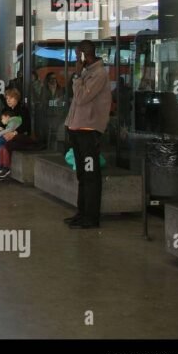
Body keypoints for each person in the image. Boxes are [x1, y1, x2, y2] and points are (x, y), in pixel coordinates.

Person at [63, 40, 112, 229]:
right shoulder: (86, 72)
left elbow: (82, 97)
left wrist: (76, 75)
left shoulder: (99, 74)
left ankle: (91, 217)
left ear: (84, 55)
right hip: (77, 129)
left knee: (91, 175)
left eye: (77, 55)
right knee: (82, 174)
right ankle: (81, 212)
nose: (76, 58)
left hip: (88, 132)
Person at [40, 72, 65, 149]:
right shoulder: (44, 89)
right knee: (47, 133)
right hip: (47, 114)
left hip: (57, 114)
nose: (53, 80)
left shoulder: (60, 89)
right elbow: (43, 101)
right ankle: (47, 147)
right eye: (51, 78)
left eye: (54, 78)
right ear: (48, 80)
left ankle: (54, 149)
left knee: (55, 133)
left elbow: (63, 101)